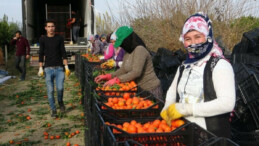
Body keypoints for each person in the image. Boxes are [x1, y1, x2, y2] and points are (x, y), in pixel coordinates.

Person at [160, 12, 235, 138]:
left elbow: (227, 103)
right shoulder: (184, 66)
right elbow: (172, 92)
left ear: (207, 36)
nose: (193, 43)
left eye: (198, 37)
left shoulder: (219, 65)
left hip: (211, 137)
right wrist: (167, 107)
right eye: (188, 39)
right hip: (185, 132)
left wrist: (187, 109)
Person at [95, 26, 162, 99]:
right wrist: (109, 76)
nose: (121, 46)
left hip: (150, 89)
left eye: (122, 43)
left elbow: (136, 72)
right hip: (138, 89)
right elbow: (123, 69)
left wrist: (117, 80)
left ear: (127, 40)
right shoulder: (127, 52)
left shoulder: (140, 50)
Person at [38, 20, 71, 118]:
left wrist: (66, 66)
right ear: (46, 28)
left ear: (54, 27)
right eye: (49, 26)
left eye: (52, 26)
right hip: (48, 68)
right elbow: (40, 53)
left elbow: (63, 52)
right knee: (50, 90)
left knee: (60, 88)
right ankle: (53, 109)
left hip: (59, 68)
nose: (51, 28)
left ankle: (60, 102)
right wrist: (40, 67)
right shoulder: (43, 39)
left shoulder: (59, 38)